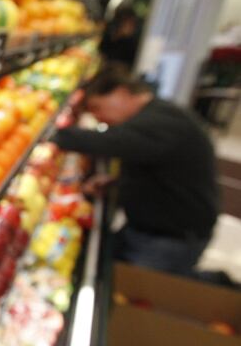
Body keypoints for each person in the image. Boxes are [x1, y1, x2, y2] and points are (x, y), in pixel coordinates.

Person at [53, 61, 219, 276]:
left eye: (97, 108)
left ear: (121, 93)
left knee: (138, 292)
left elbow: (111, 142)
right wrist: (117, 184)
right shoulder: (157, 114)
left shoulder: (158, 123)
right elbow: (161, 169)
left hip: (170, 238)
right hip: (153, 228)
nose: (98, 117)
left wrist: (49, 133)